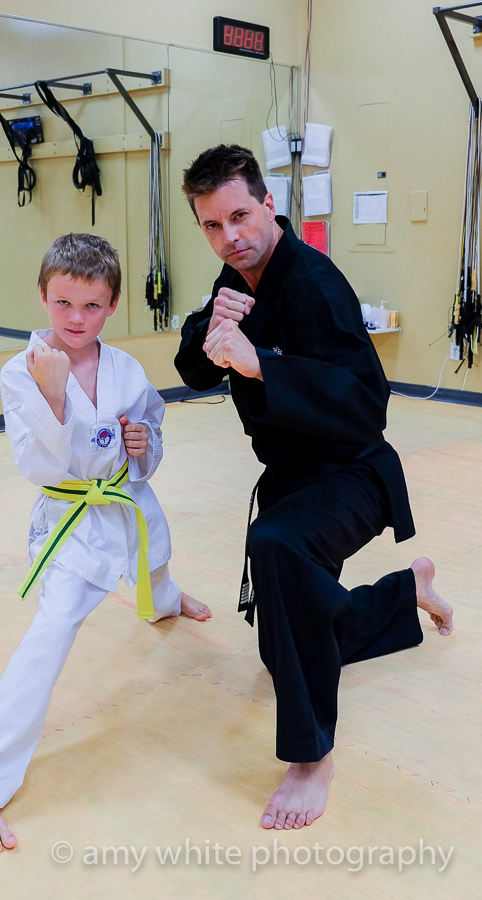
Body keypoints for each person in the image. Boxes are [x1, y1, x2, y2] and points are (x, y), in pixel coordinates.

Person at [174, 144, 453, 832]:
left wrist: (262, 365)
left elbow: (366, 404)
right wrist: (210, 328)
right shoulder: (237, 278)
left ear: (268, 205)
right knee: (283, 652)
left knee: (276, 544)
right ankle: (405, 593)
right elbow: (195, 368)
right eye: (212, 225)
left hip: (353, 472)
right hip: (292, 478)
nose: (229, 235)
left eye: (240, 216)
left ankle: (311, 757)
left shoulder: (314, 282)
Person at [0, 232, 211, 853]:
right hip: (74, 518)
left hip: (128, 499)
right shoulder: (22, 372)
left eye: (91, 306)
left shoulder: (125, 368)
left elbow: (150, 423)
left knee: (156, 562)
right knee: (52, 630)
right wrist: (53, 392)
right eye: (63, 303)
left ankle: (165, 602)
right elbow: (37, 464)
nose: (75, 318)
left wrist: (143, 443)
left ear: (112, 305)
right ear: (43, 296)